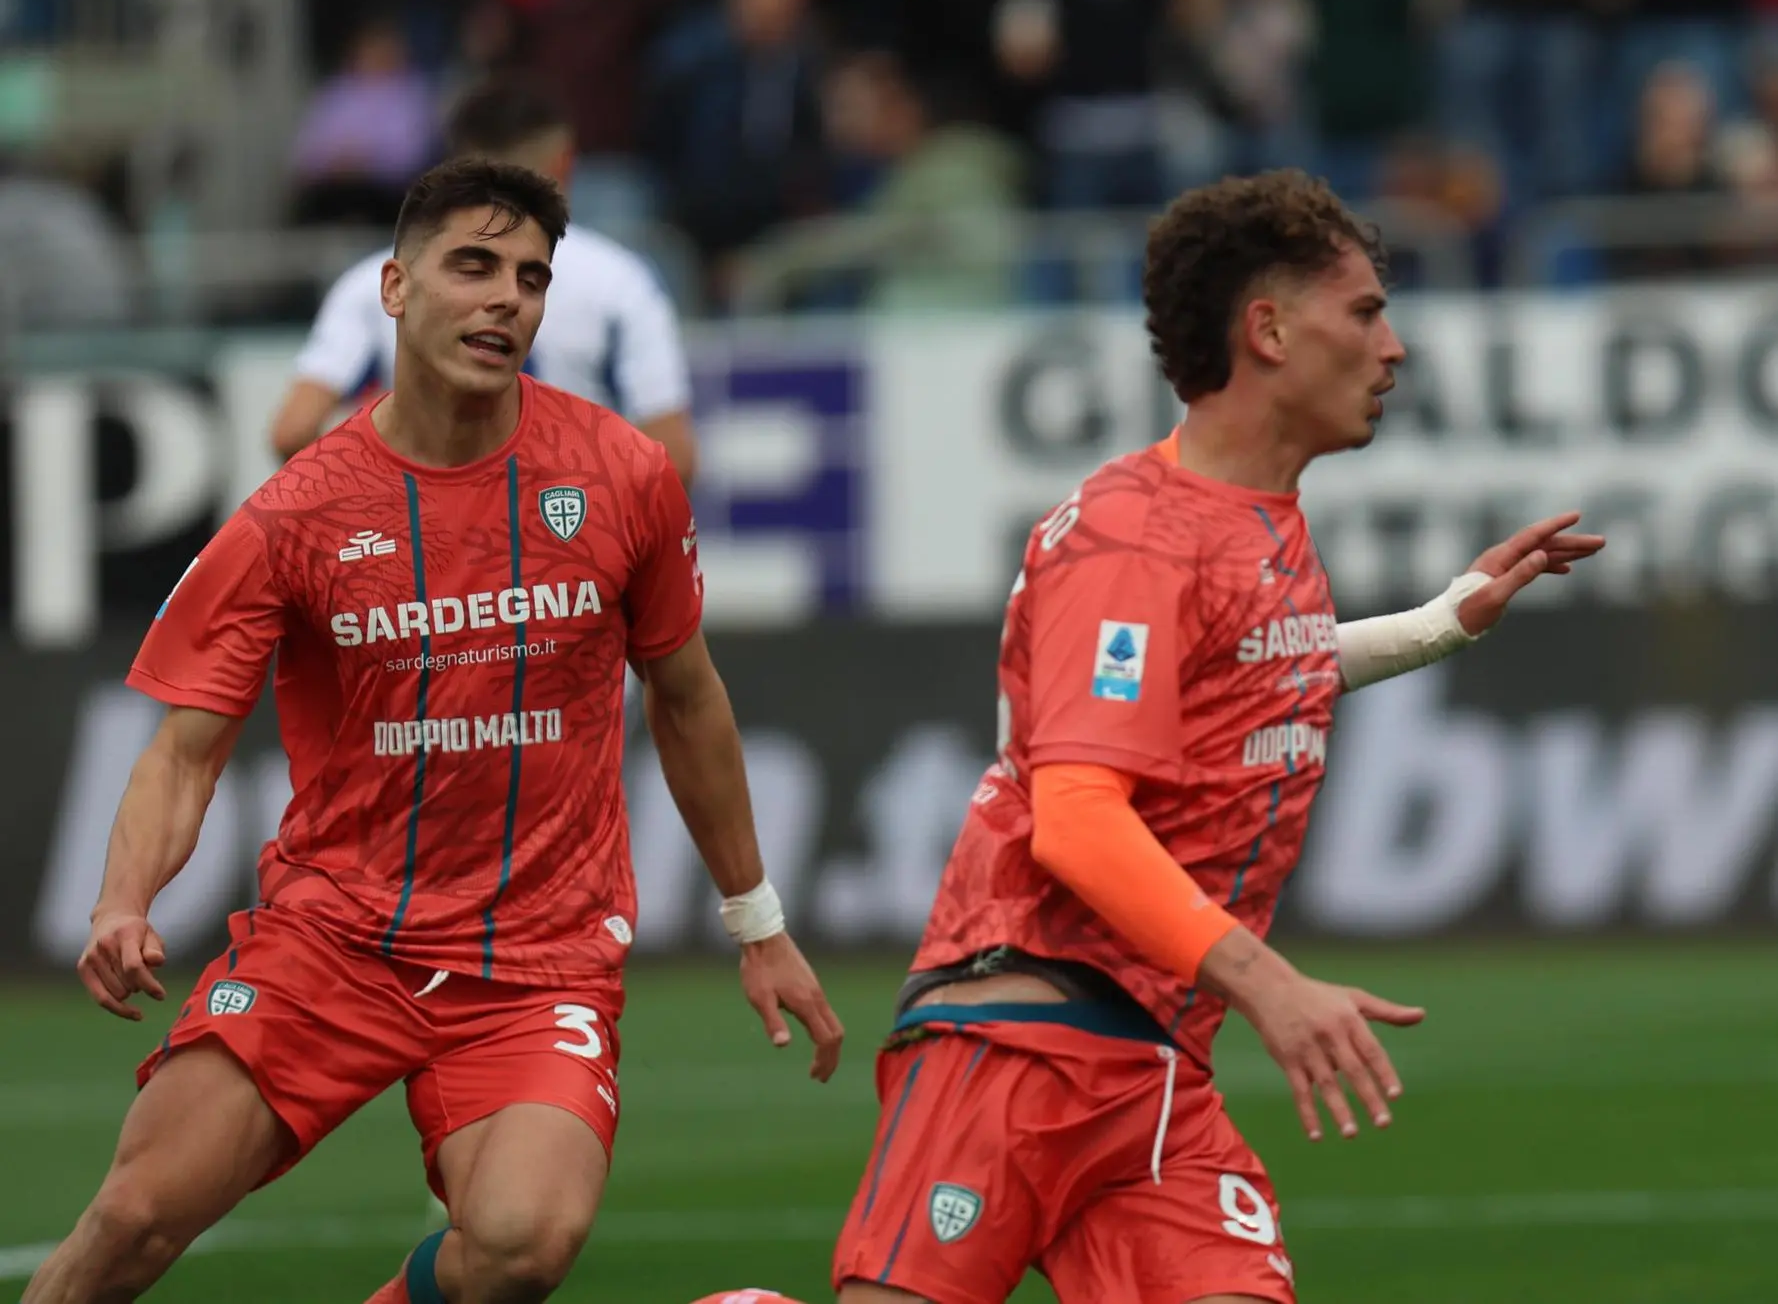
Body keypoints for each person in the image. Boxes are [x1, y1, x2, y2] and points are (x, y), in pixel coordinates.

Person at [25, 156, 842, 1304]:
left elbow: (688, 696)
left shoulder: (622, 476)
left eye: (530, 276)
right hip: (335, 942)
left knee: (519, 1241)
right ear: (394, 290)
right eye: (472, 265)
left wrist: (757, 922)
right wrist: (121, 900)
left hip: (539, 959)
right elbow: (183, 749)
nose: (506, 297)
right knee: (134, 1215)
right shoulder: (297, 512)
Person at [830, 169, 1604, 1304]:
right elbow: (1077, 821)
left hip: (1151, 1061)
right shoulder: (1136, 536)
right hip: (1019, 1035)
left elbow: (1241, 675)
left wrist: (1437, 623)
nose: (1391, 347)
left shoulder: (1254, 518)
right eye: (1363, 311)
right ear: (1268, 329)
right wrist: (1269, 986)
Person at [272, 78, 698, 486]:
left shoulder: (378, 279)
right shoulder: (619, 281)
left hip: (425, 535)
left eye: (531, 283)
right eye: (475, 272)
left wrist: (380, 513)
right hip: (570, 537)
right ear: (565, 162)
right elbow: (674, 461)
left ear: (455, 167)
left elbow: (293, 432)